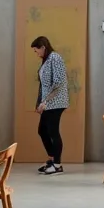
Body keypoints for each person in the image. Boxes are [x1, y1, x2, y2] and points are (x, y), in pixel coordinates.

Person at [31, 36, 69, 176]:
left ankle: (57, 165)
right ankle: (52, 160)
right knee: (42, 130)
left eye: (36, 51)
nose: (36, 54)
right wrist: (39, 103)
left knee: (53, 132)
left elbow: (58, 82)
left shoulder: (55, 58)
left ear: (43, 47)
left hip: (56, 102)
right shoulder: (46, 60)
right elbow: (43, 85)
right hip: (48, 102)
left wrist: (45, 101)